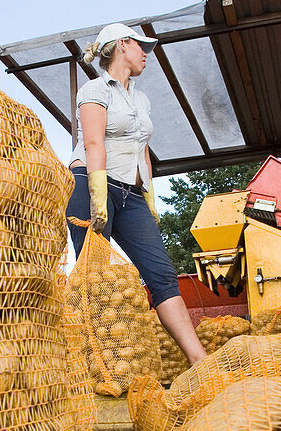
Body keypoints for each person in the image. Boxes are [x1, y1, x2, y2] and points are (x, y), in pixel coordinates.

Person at [66, 23, 208, 365]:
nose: (146, 53)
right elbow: (93, 142)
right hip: (90, 183)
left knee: (161, 273)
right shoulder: (93, 90)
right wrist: (98, 194)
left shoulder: (140, 99)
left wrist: (149, 196)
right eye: (141, 46)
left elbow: (142, 148)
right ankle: (97, 365)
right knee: (95, 279)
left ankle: (199, 359)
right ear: (122, 45)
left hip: (131, 193)